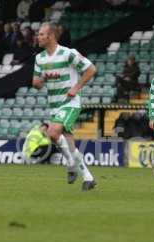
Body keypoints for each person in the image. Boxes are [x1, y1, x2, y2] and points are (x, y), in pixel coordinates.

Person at [32, 22, 97, 191]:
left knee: (52, 132)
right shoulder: (40, 58)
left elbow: (91, 69)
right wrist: (39, 82)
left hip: (70, 103)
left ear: (51, 36)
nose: (37, 37)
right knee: (62, 141)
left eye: (41, 34)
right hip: (54, 105)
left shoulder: (68, 54)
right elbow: (37, 83)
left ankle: (70, 164)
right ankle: (88, 177)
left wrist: (76, 87)